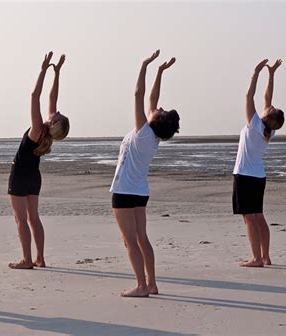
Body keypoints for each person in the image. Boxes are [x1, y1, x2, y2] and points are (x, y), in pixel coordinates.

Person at [110, 49, 179, 297]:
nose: (158, 106)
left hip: (125, 192)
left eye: (160, 110)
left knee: (130, 241)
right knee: (142, 238)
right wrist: (159, 71)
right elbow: (151, 99)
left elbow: (139, 95)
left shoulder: (143, 133)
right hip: (139, 192)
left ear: (156, 120)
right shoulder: (152, 136)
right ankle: (151, 283)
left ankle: (141, 286)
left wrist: (144, 65)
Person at [8, 52, 70, 269]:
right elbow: (52, 98)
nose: (56, 112)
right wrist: (57, 73)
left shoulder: (37, 129)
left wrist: (43, 70)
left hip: (20, 177)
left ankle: (27, 259)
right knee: (33, 218)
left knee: (21, 220)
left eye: (57, 115)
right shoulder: (48, 134)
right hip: (34, 177)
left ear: (53, 123)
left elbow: (35, 96)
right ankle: (40, 258)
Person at [233, 59, 285, 267]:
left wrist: (255, 72)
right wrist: (271, 74)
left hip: (245, 176)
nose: (269, 105)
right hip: (258, 177)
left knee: (249, 218)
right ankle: (265, 256)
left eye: (270, 108)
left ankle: (256, 258)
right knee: (259, 216)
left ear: (266, 117)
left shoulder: (255, 124)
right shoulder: (267, 130)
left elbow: (249, 96)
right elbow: (267, 98)